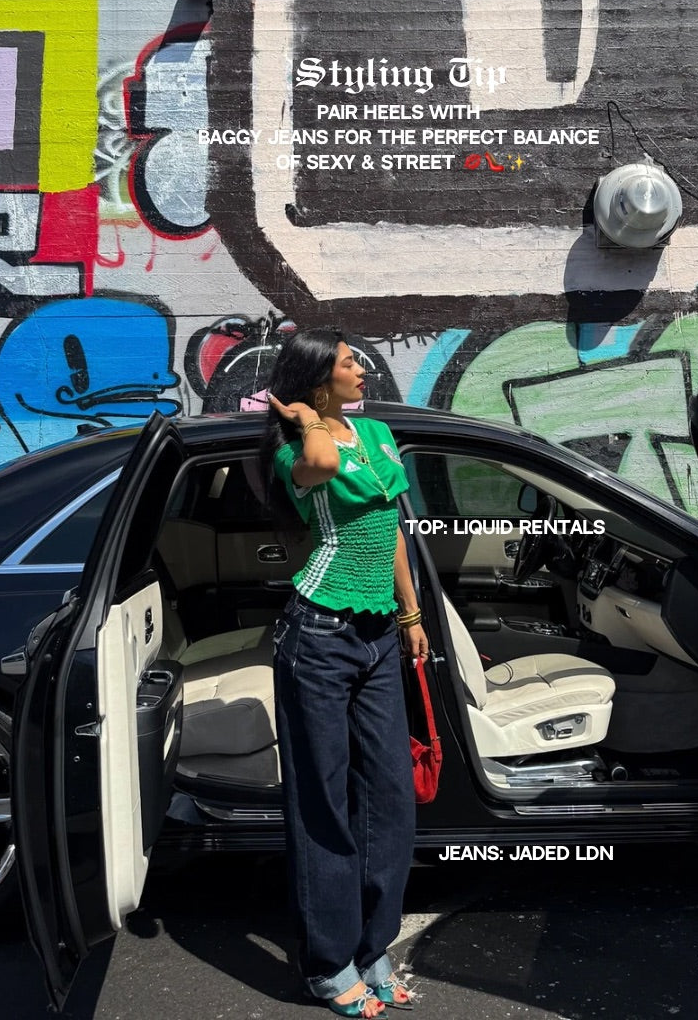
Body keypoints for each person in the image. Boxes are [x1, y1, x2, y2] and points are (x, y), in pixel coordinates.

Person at [260, 329, 428, 1018]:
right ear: (318, 381)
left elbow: (389, 524)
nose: (363, 370)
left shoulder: (382, 434)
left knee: (389, 796)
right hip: (318, 637)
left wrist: (412, 615)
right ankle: (328, 964)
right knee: (323, 803)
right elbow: (325, 464)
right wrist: (302, 421)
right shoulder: (295, 452)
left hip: (378, 636)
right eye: (348, 364)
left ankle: (374, 945)